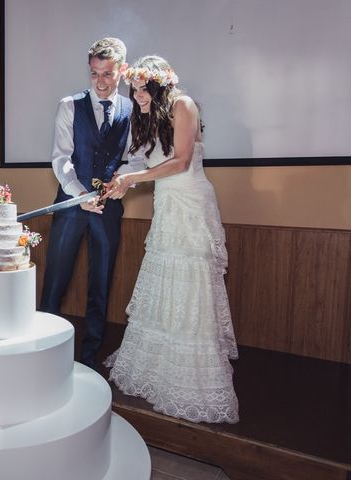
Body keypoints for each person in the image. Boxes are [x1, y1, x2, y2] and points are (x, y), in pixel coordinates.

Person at [102, 55, 239, 423]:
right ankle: (158, 369)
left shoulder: (183, 105)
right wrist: (122, 178)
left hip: (191, 203)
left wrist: (133, 180)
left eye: (143, 88)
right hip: (167, 202)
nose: (138, 95)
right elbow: (146, 163)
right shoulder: (147, 115)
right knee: (165, 281)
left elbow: (180, 162)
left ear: (161, 85)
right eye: (134, 89)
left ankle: (191, 377)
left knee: (191, 282)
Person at [39, 37, 137, 370]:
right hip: (70, 205)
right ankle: (44, 353)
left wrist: (126, 180)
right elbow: (61, 158)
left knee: (101, 283)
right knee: (55, 282)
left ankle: (89, 358)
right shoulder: (69, 105)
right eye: (94, 73)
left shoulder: (131, 109)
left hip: (108, 209)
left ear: (122, 70)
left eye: (108, 74)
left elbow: (134, 157)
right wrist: (79, 194)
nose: (100, 81)